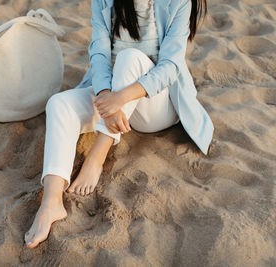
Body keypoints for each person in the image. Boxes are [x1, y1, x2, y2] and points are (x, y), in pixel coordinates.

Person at [24, 0, 213, 248]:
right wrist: (105, 95)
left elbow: (170, 67)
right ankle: (51, 203)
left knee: (130, 58)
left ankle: (97, 158)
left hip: (155, 104)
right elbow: (100, 53)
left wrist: (119, 99)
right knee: (58, 104)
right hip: (112, 93)